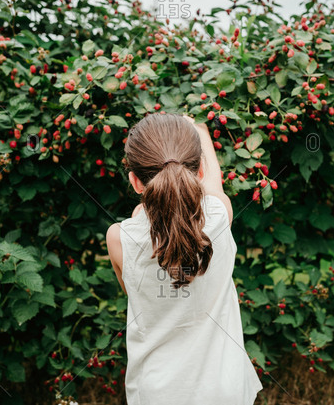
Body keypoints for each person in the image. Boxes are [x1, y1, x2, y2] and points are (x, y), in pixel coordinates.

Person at [106, 113, 263, 405]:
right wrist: (199, 128)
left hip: (158, 393)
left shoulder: (119, 238)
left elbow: (136, 293)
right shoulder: (218, 216)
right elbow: (214, 184)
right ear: (199, 170)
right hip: (225, 390)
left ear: (135, 182)